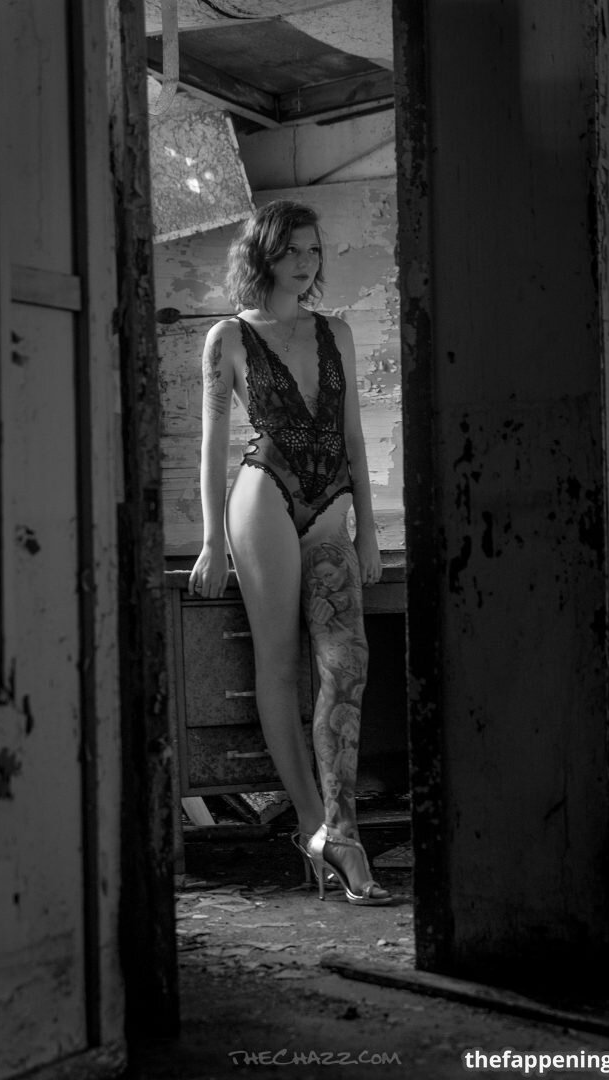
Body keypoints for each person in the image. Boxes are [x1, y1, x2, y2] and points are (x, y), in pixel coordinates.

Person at [188, 200, 391, 906]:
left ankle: (340, 827)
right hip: (262, 496)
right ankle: (319, 829)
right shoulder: (228, 337)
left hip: (331, 504)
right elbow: (212, 447)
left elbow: (354, 437)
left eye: (313, 250)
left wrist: (368, 529)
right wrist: (211, 541)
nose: (306, 263)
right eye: (292, 250)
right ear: (264, 255)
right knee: (277, 667)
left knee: (346, 664)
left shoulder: (337, 331)